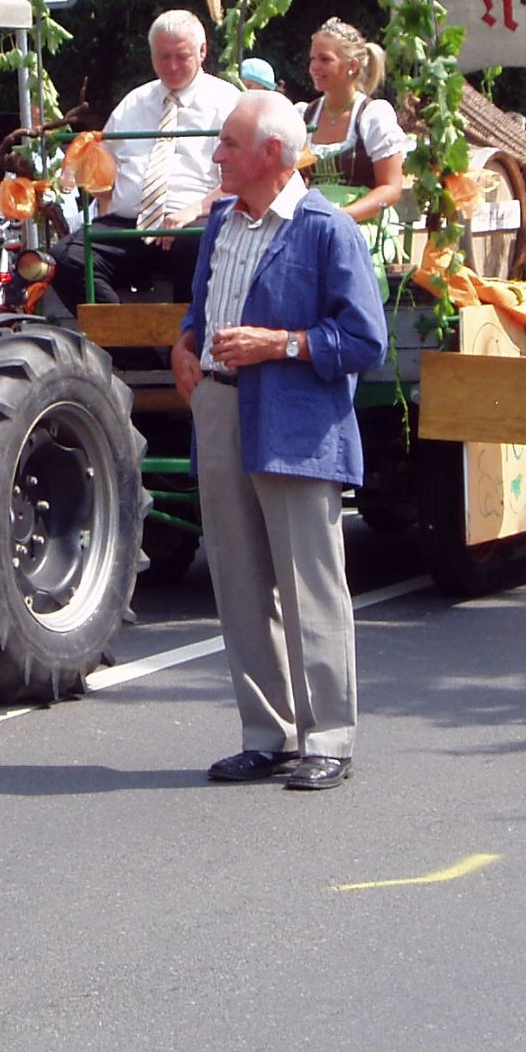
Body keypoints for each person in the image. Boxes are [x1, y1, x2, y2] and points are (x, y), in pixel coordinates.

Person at [173, 91, 385, 791]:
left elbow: (364, 340)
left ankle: (329, 736)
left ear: (271, 154)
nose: (217, 155)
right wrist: (186, 349)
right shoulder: (222, 223)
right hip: (222, 408)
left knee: (308, 585)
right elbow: (203, 308)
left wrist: (282, 345)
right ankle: (268, 734)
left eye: (229, 144)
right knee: (237, 580)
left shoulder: (325, 229)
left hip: (294, 422)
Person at [52, 11, 241, 307]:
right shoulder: (134, 103)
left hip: (195, 225)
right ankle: (129, 351)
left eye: (182, 56)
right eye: (163, 57)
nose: (172, 66)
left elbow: (243, 178)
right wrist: (93, 182)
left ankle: (186, 345)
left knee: (199, 247)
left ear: (203, 52)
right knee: (66, 258)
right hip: (130, 226)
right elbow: (104, 170)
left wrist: (192, 211)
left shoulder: (229, 103)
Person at [302, 17, 410, 274]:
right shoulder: (306, 115)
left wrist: (342, 217)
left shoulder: (372, 115)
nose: (315, 67)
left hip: (363, 223)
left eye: (325, 59)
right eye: (313, 59)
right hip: (314, 221)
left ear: (351, 65)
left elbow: (391, 188)